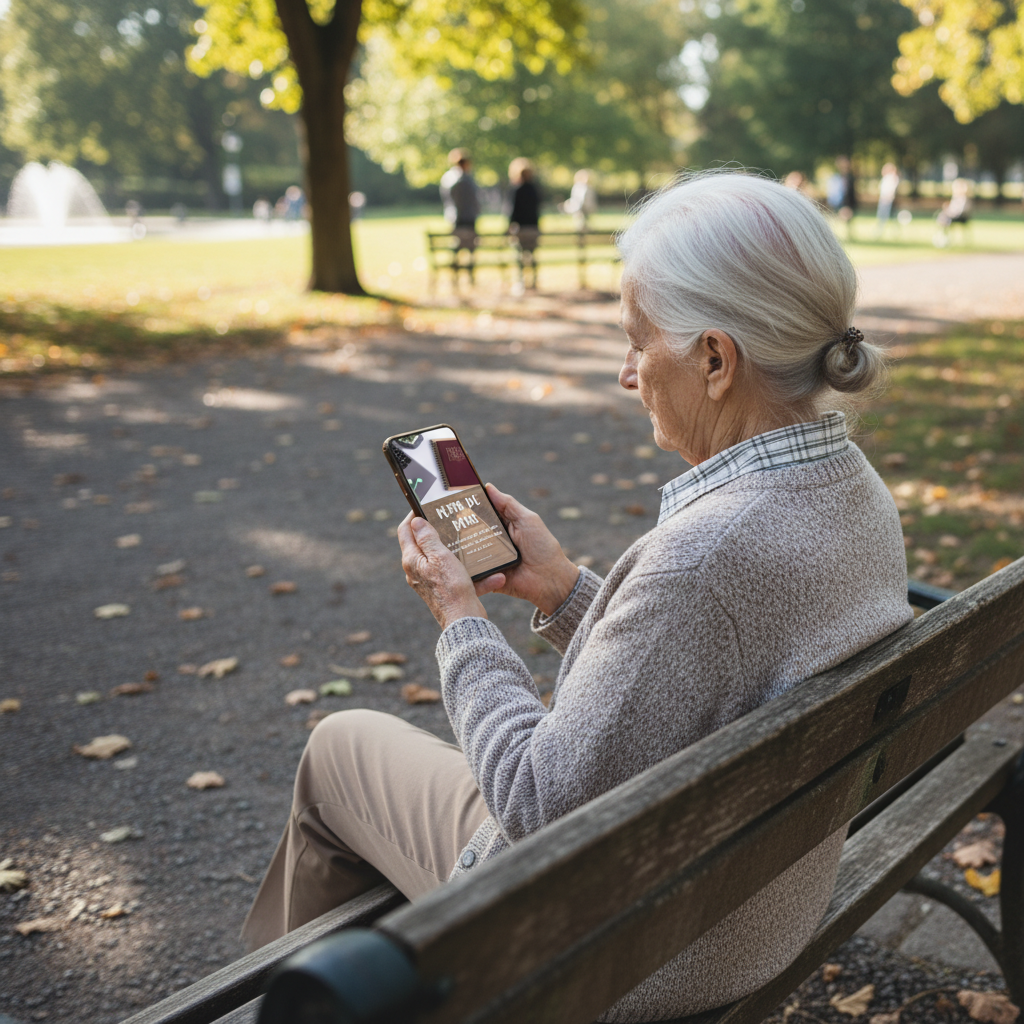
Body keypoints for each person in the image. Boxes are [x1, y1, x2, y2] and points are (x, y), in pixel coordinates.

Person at [240, 171, 912, 1022]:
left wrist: (461, 618)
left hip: (637, 950)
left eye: (638, 340)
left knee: (339, 749)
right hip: (756, 907)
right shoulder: (851, 487)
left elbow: (537, 805)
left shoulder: (702, 558)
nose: (626, 373)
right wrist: (562, 590)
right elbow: (699, 677)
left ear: (715, 359)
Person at [439, 149, 480, 284]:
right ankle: (469, 276)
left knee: (458, 247)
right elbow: (475, 200)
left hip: (456, 218)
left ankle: (456, 277)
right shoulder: (467, 180)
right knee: (469, 249)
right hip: (468, 218)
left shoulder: (448, 179)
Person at [506, 157, 541, 291]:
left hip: (521, 227)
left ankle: (521, 281)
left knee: (519, 256)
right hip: (533, 226)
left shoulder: (516, 189)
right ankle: (533, 280)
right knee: (531, 255)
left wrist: (510, 225)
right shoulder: (534, 189)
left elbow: (512, 210)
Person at [934, 178, 972, 247]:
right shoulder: (956, 197)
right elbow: (952, 208)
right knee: (943, 216)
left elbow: (962, 211)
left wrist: (951, 212)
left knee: (946, 218)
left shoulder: (964, 198)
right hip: (954, 215)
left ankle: (944, 238)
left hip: (961, 217)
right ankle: (943, 237)